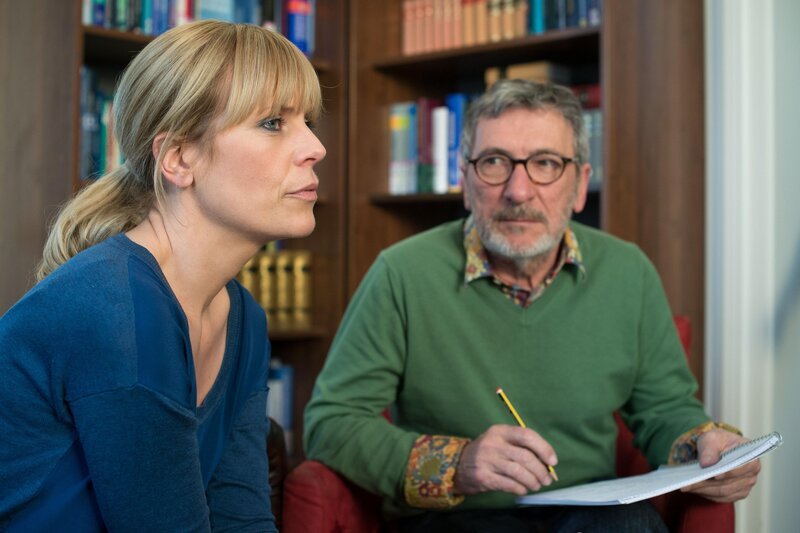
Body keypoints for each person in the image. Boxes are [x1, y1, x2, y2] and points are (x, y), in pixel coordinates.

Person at [303, 79, 759, 532]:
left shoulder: (629, 271)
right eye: (494, 162)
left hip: (594, 518)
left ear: (580, 185)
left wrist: (707, 448)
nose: (518, 191)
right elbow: (331, 423)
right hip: (454, 520)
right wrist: (457, 464)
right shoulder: (401, 273)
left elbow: (666, 411)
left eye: (545, 163)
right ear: (465, 183)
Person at [0, 20, 325, 532]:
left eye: (308, 121)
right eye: (272, 123)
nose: (315, 147)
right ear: (178, 158)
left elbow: (242, 519)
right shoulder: (117, 310)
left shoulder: (243, 318)